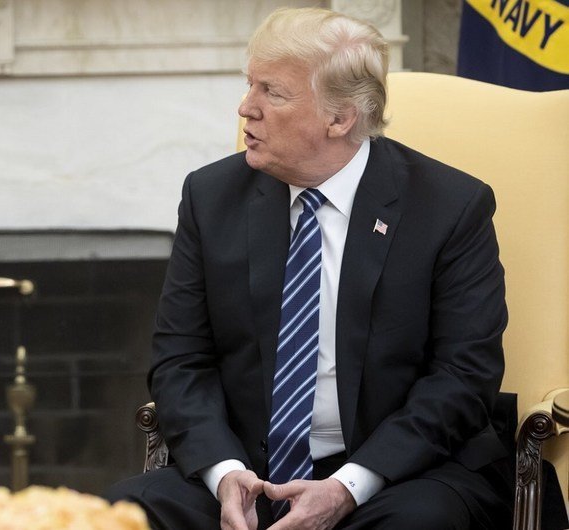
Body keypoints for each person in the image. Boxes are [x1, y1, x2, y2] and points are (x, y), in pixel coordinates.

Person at [106, 7, 510, 529]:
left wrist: (347, 488)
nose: (245, 108)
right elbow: (181, 360)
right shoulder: (210, 197)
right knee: (123, 513)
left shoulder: (450, 207)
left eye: (272, 92)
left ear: (339, 118)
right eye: (249, 85)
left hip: (397, 474)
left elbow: (463, 377)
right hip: (247, 474)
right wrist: (227, 474)